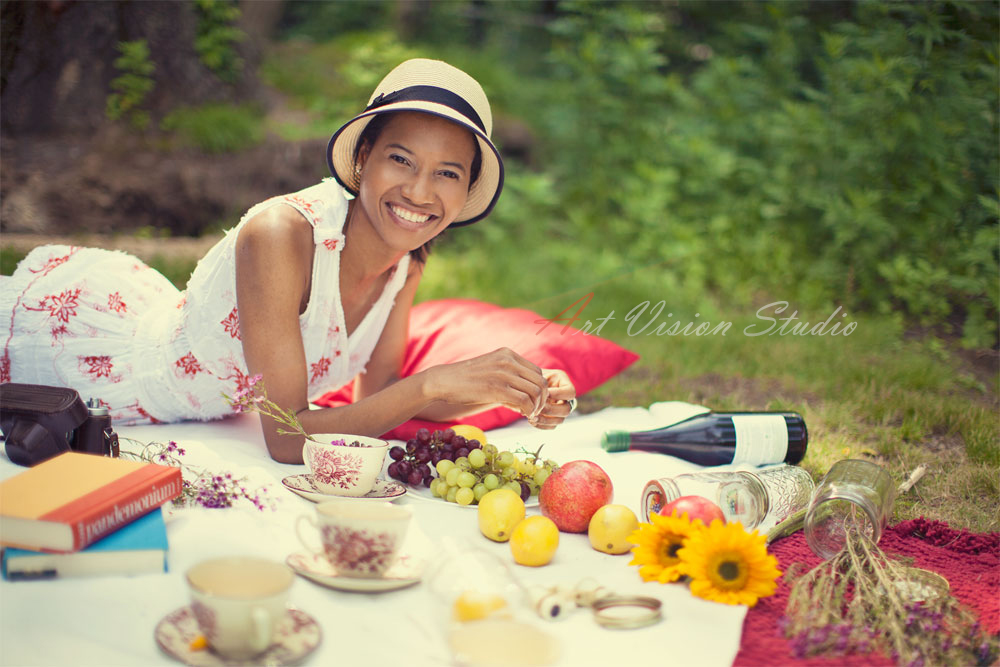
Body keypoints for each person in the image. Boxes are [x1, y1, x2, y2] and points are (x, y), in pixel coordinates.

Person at [0, 58, 577, 463]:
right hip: (95, 364)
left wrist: (507, 390)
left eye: (447, 173)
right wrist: (429, 386)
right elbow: (286, 438)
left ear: (467, 189)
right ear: (363, 160)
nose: (420, 192)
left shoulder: (406, 264)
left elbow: (385, 393)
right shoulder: (281, 235)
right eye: (401, 160)